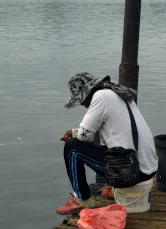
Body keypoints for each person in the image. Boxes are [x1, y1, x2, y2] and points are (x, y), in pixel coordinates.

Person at [57, 72, 158, 215]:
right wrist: (74, 131)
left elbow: (84, 136)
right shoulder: (117, 93)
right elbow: (108, 131)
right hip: (147, 168)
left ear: (87, 93)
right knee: (103, 141)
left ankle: (82, 199)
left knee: (72, 147)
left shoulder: (100, 97)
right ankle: (114, 186)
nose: (82, 104)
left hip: (133, 172)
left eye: (81, 100)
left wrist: (74, 134)